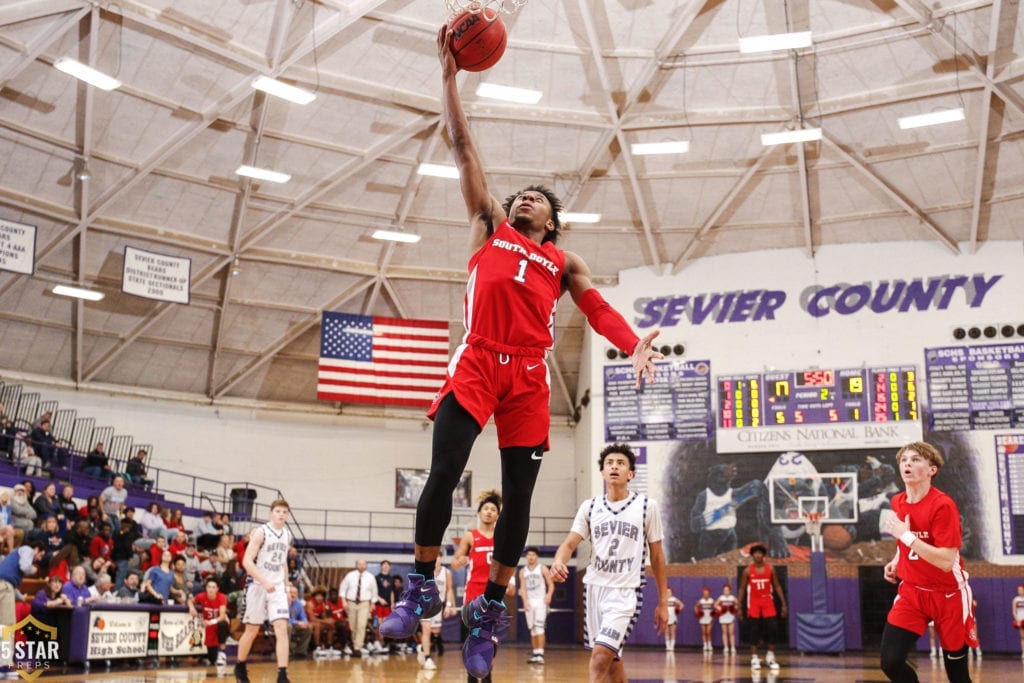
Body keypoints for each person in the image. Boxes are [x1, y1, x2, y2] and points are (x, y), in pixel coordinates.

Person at [380, 19, 663, 682]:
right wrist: (450, 77)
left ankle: (487, 610)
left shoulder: (563, 258)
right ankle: (422, 583)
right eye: (523, 193)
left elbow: (593, 305)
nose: (528, 195)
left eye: (540, 197)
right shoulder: (490, 225)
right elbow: (461, 145)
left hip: (529, 380)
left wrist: (630, 344)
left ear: (553, 221)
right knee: (443, 472)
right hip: (478, 360)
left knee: (518, 495)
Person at [551, 443, 668, 683]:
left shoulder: (647, 507)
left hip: (625, 593)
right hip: (595, 590)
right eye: (609, 463)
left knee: (601, 657)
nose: (614, 466)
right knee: (614, 665)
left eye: (621, 463)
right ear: (603, 473)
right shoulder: (590, 507)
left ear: (631, 474)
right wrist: (557, 561)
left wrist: (663, 602)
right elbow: (569, 544)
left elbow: (657, 557)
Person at [880, 441, 977, 683]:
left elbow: (945, 560)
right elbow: (907, 542)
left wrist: (906, 536)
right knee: (890, 661)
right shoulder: (898, 502)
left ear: (931, 470)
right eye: (904, 460)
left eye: (915, 460)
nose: (908, 464)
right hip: (913, 592)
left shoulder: (942, 505)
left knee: (957, 673)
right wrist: (896, 559)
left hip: (949, 594)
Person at [451, 490, 515, 683]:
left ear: (497, 515)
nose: (488, 512)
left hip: (493, 597)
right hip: (472, 596)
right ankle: (472, 679)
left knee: (489, 643)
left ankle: (487, 678)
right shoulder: (470, 536)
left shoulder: (502, 538)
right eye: (485, 508)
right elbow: (454, 563)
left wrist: (511, 582)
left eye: (493, 509)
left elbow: (508, 564)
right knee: (472, 641)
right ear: (479, 513)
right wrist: (459, 561)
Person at [235, 499, 293, 683]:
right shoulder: (261, 532)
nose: (281, 514)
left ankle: (282, 675)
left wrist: (287, 586)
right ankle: (240, 666)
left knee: (282, 629)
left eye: (284, 511)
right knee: (252, 630)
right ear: (271, 513)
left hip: (277, 588)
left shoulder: (287, 534)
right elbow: (246, 561)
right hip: (257, 585)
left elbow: (283, 562)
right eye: (278, 511)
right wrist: (263, 580)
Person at [737, 543, 787, 672]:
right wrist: (739, 606)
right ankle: (754, 658)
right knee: (754, 631)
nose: (758, 555)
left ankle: (770, 656)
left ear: (763, 555)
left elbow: (777, 586)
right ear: (752, 555)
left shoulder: (770, 569)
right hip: (754, 602)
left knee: (773, 629)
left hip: (767, 601)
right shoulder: (748, 570)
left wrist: (783, 604)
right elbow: (742, 588)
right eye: (755, 553)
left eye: (760, 553)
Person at [0, 540, 46, 676]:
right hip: (5, 588)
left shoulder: (14, 555)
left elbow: (10, 582)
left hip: (5, 586)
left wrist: (22, 597)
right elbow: (25, 566)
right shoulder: (27, 549)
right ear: (36, 548)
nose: (39, 558)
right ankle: (3, 664)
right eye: (41, 554)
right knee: (7, 626)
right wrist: (34, 569)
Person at [417, 554, 455, 672]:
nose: (435, 559)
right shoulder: (424, 572)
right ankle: (428, 658)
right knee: (426, 630)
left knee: (436, 631)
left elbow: (449, 589)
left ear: (441, 559)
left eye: (437, 557)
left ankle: (422, 649)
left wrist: (450, 605)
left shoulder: (446, 573)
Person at [519, 546, 554, 665]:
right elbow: (523, 588)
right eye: (529, 555)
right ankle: (535, 653)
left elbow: (551, 584)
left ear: (537, 556)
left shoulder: (542, 568)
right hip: (529, 601)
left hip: (540, 601)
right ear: (526, 557)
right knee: (532, 629)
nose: (531, 557)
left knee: (539, 627)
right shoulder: (523, 571)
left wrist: (549, 595)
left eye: (533, 555)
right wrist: (525, 601)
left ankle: (541, 654)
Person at [339, 559, 378, 656]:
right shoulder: (350, 575)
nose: (361, 566)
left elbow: (374, 592)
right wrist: (344, 602)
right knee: (353, 626)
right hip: (351, 602)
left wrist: (372, 603)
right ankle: (354, 643)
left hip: (364, 603)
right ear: (356, 565)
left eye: (363, 564)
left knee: (361, 625)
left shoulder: (370, 577)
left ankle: (357, 648)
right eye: (359, 564)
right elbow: (342, 588)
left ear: (366, 566)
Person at [191, 578, 230, 666]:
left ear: (217, 589)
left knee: (222, 624)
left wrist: (211, 622)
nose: (211, 589)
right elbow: (190, 600)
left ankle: (222, 653)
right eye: (209, 587)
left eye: (213, 587)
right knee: (212, 659)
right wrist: (191, 607)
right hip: (209, 627)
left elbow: (222, 616)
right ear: (206, 588)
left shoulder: (222, 597)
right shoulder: (201, 596)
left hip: (219, 623)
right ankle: (211, 657)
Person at [714, 583, 738, 655]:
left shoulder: (732, 598)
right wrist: (719, 608)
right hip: (723, 616)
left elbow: (737, 604)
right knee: (724, 632)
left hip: (730, 616)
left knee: (731, 633)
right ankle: (726, 647)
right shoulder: (721, 597)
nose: (726, 591)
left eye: (727, 590)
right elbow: (715, 604)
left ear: (730, 591)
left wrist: (735, 607)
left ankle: (733, 647)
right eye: (724, 590)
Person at [664, 587, 683, 652]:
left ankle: (672, 647)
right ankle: (668, 646)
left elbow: (681, 605)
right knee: (666, 632)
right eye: (667, 592)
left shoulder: (673, 599)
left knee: (672, 632)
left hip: (673, 617)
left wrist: (678, 610)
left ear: (672, 593)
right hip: (666, 617)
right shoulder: (663, 599)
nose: (668, 593)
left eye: (669, 592)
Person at [1012, 583, 1024, 660]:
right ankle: (1023, 652)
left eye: (1021, 590)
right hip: (1020, 620)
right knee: (1023, 637)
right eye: (1018, 590)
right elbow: (1014, 611)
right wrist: (1017, 620)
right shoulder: (1016, 599)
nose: (1019, 591)